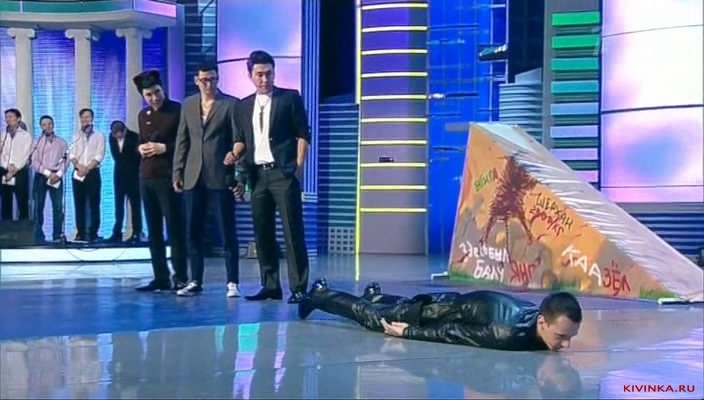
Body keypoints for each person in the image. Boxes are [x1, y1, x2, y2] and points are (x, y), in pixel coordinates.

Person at [298, 279, 582, 351]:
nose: (566, 345)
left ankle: (375, 295)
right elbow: (453, 333)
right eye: (561, 336)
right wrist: (409, 331)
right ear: (542, 321)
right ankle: (319, 295)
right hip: (435, 313)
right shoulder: (507, 333)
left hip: (453, 305)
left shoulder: (535, 313)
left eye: (569, 337)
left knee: (392, 306)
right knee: (373, 318)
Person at [232, 50, 311, 304]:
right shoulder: (242, 106)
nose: (264, 79)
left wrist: (297, 167)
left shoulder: (290, 98)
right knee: (262, 232)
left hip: (283, 173)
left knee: (292, 231)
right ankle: (270, 285)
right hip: (257, 175)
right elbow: (241, 140)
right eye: (259, 74)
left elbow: (303, 134)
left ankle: (299, 287)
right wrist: (234, 161)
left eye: (269, 73)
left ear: (274, 73)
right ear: (250, 75)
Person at [173, 64, 243, 298]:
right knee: (193, 231)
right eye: (204, 80)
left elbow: (238, 140)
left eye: (213, 79)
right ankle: (195, 280)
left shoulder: (230, 104)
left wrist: (238, 173)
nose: (209, 84)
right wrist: (177, 172)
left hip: (220, 175)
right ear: (196, 80)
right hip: (193, 175)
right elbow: (182, 140)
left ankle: (232, 281)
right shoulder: (188, 104)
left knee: (227, 231)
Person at [132, 70, 189, 292]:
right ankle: (160, 276)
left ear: (163, 89)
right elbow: (141, 140)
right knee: (153, 229)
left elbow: (186, 143)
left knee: (174, 228)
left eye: (157, 92)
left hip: (168, 176)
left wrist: (164, 148)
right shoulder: (142, 115)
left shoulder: (177, 110)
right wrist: (140, 148)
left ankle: (181, 276)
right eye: (149, 95)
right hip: (146, 176)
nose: (154, 98)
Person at [68, 108, 106, 242]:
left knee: (94, 203)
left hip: (92, 172)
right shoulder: (76, 136)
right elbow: (71, 154)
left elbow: (99, 155)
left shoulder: (99, 135)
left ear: (92, 118)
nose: (86, 120)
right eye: (83, 117)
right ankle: (80, 232)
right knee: (79, 203)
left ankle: (93, 232)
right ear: (80, 119)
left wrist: (87, 169)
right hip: (78, 172)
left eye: (88, 117)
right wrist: (79, 167)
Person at [31, 115, 69, 243]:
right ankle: (38, 236)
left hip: (56, 176)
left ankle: (57, 236)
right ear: (41, 127)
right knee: (38, 206)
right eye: (44, 124)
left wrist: (58, 174)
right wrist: (47, 173)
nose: (47, 127)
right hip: (41, 176)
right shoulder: (37, 142)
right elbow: (34, 161)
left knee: (58, 207)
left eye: (49, 124)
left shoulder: (62, 142)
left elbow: (66, 160)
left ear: (53, 125)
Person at [108, 120, 142, 243]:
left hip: (133, 176)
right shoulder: (111, 138)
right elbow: (116, 156)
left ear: (124, 131)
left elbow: (137, 158)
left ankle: (136, 232)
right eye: (114, 135)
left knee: (135, 205)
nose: (116, 137)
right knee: (119, 205)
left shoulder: (135, 137)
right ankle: (117, 233)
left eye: (118, 134)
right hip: (119, 176)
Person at [0, 108, 32, 221]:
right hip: (5, 170)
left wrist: (14, 169)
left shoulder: (25, 136)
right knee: (5, 201)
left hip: (20, 171)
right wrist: (6, 166)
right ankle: (6, 227)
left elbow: (25, 155)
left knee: (22, 201)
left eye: (10, 117)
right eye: (6, 117)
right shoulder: (3, 135)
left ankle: (23, 227)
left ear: (18, 119)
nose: (8, 119)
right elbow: (2, 154)